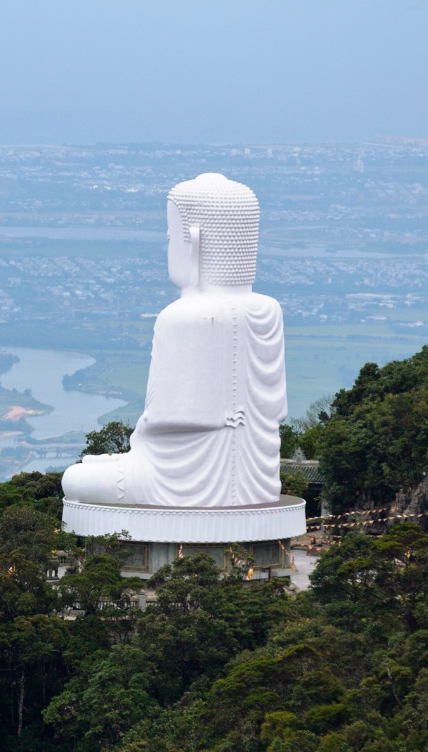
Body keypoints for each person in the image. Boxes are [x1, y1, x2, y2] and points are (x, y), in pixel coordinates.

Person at [61, 173, 286, 508]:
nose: (168, 247)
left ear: (192, 243)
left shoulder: (181, 316)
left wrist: (145, 429)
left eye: (170, 237)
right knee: (101, 464)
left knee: (74, 478)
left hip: (177, 481)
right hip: (260, 484)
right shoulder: (268, 311)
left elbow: (166, 417)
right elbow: (275, 411)